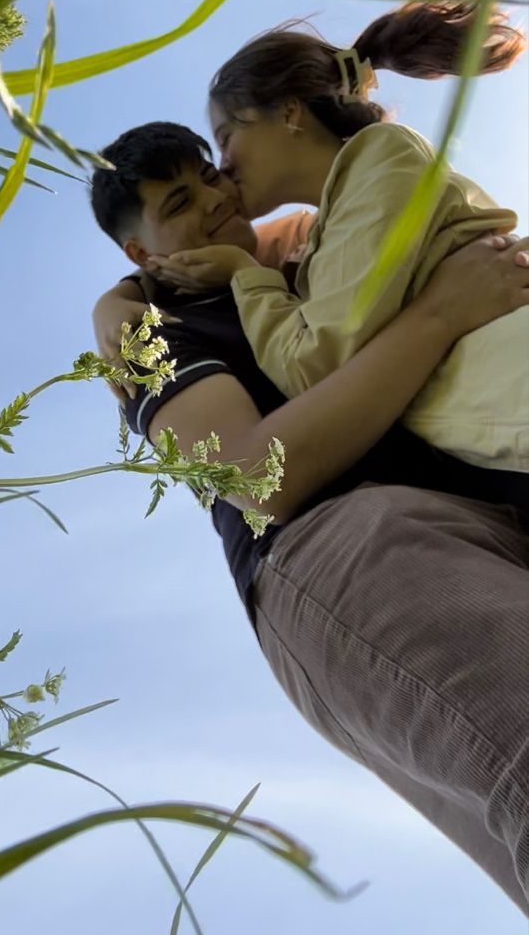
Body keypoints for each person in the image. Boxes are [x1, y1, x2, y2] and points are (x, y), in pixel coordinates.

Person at [89, 122, 529, 910]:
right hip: (349, 544)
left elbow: (350, 143)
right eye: (182, 202)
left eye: (216, 175)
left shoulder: (302, 261)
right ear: (141, 254)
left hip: (492, 494)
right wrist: (439, 314)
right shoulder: (157, 331)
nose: (220, 200)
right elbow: (256, 474)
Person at [139, 0, 528, 473]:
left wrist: (242, 272)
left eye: (228, 136)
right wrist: (125, 297)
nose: (225, 168)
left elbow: (316, 367)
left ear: (289, 113)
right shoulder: (337, 220)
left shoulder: (381, 157)